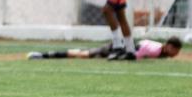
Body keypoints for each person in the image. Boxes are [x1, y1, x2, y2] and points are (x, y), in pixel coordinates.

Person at [28, 36, 183, 60]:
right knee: (84, 54)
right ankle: (43, 55)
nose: (176, 54)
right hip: (119, 47)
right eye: (176, 50)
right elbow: (138, 51)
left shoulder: (159, 50)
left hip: (122, 45)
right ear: (169, 46)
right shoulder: (156, 50)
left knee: (86, 53)